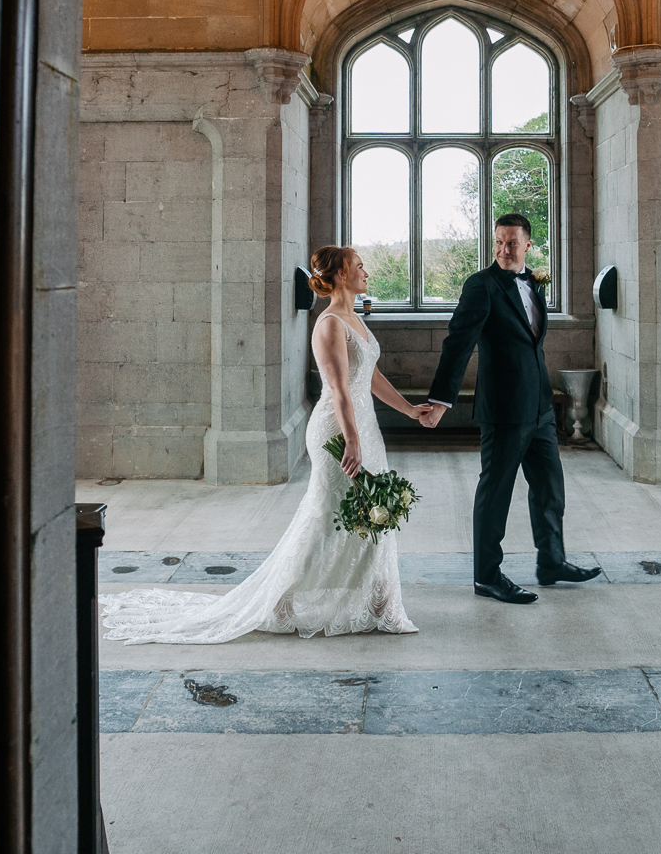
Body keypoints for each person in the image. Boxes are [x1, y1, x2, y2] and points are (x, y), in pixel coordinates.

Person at [99, 246, 431, 642]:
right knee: (327, 516)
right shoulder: (329, 325)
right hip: (339, 430)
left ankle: (382, 603)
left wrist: (409, 410)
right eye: (359, 267)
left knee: (375, 510)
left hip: (364, 428)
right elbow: (340, 390)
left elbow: (370, 378)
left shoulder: (354, 318)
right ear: (341, 275)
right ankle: (280, 602)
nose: (366, 272)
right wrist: (352, 440)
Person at [420, 213, 603, 603]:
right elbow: (458, 343)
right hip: (503, 410)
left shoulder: (534, 283)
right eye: (499, 242)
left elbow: (531, 342)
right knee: (496, 493)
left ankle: (551, 562)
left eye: (512, 243)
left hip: (538, 408)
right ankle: (486, 576)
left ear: (528, 245)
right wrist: (441, 400)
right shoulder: (480, 286)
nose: (504, 249)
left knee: (550, 490)